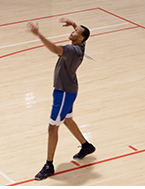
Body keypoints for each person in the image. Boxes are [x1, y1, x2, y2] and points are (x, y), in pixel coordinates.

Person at [27, 17, 96, 181]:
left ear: (81, 38)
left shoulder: (72, 51)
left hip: (64, 92)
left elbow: (54, 49)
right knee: (67, 120)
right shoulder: (81, 45)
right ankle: (86, 146)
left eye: (75, 32)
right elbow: (80, 31)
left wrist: (39, 34)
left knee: (52, 127)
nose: (72, 31)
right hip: (69, 89)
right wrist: (73, 24)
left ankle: (49, 165)